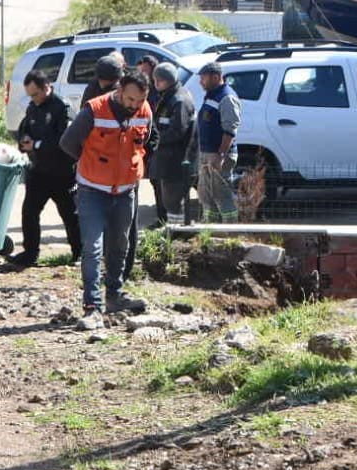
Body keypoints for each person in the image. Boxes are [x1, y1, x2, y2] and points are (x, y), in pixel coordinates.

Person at [59, 72, 152, 330]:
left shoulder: (145, 110)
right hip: (92, 190)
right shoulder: (94, 110)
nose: (135, 105)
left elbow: (146, 141)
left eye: (140, 99)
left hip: (125, 191)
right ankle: (92, 306)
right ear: (120, 89)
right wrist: (89, 161)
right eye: (131, 99)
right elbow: (67, 142)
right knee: (93, 247)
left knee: (120, 244)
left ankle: (115, 295)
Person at [10, 70, 80, 267]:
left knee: (70, 215)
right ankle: (30, 253)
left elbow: (64, 140)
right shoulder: (33, 107)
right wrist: (23, 141)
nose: (33, 99)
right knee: (29, 212)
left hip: (61, 172)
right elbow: (25, 129)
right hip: (39, 170)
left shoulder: (62, 108)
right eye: (30, 95)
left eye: (35, 94)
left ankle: (79, 254)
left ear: (46, 87)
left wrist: (38, 145)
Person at [148, 62, 198, 226]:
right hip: (167, 160)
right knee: (166, 198)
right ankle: (168, 227)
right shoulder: (169, 96)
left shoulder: (179, 100)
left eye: (157, 80)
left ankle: (177, 234)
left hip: (176, 161)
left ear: (165, 81)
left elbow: (178, 131)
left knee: (173, 202)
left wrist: (155, 139)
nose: (155, 84)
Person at [196, 62, 242, 223]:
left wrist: (221, 155)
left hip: (219, 154)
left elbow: (229, 130)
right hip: (207, 153)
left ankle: (231, 231)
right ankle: (211, 228)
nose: (200, 81)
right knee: (206, 194)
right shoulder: (212, 94)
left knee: (222, 195)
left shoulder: (226, 97)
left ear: (216, 77)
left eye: (203, 78)